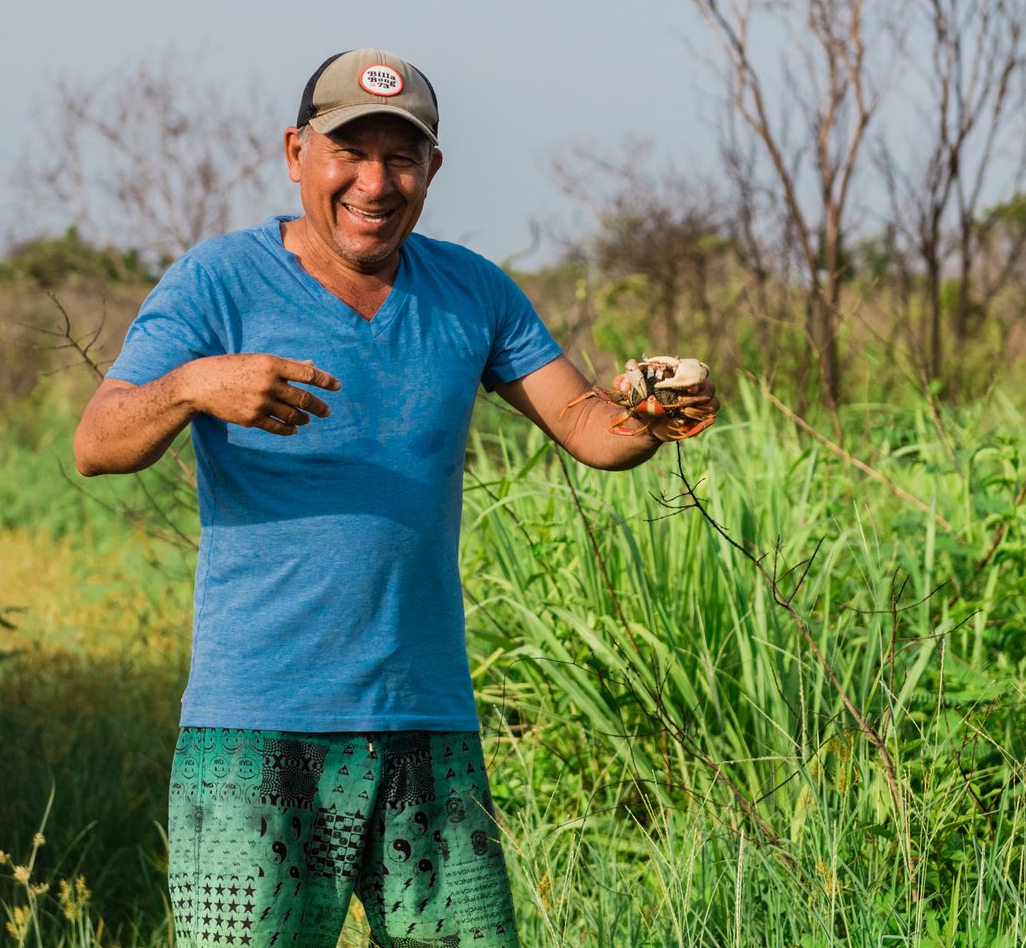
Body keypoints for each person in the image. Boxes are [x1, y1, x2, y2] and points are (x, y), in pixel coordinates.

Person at [73, 48, 716, 948]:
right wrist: (193, 387)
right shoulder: (218, 281)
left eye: (402, 156)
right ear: (296, 151)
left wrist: (657, 407)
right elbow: (95, 442)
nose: (376, 181)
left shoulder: (473, 293)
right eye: (350, 150)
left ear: (433, 170)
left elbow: (591, 426)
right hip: (258, 732)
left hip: (426, 724)